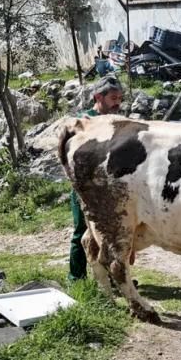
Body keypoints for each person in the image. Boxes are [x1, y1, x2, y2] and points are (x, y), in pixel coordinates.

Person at [68, 76, 124, 281]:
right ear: (98, 97)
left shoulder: (118, 122)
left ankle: (112, 276)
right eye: (113, 98)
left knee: (110, 233)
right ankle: (77, 278)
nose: (118, 102)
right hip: (85, 186)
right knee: (82, 232)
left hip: (109, 186)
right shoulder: (84, 123)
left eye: (120, 98)